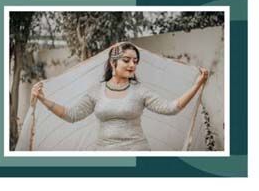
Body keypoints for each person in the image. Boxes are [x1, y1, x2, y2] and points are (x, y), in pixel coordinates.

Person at [28, 42, 209, 151]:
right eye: (127, 60)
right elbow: (72, 115)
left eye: (135, 61)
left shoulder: (140, 91)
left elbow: (171, 108)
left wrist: (197, 85)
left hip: (137, 153)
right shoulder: (96, 91)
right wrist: (43, 99)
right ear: (113, 63)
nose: (132, 65)